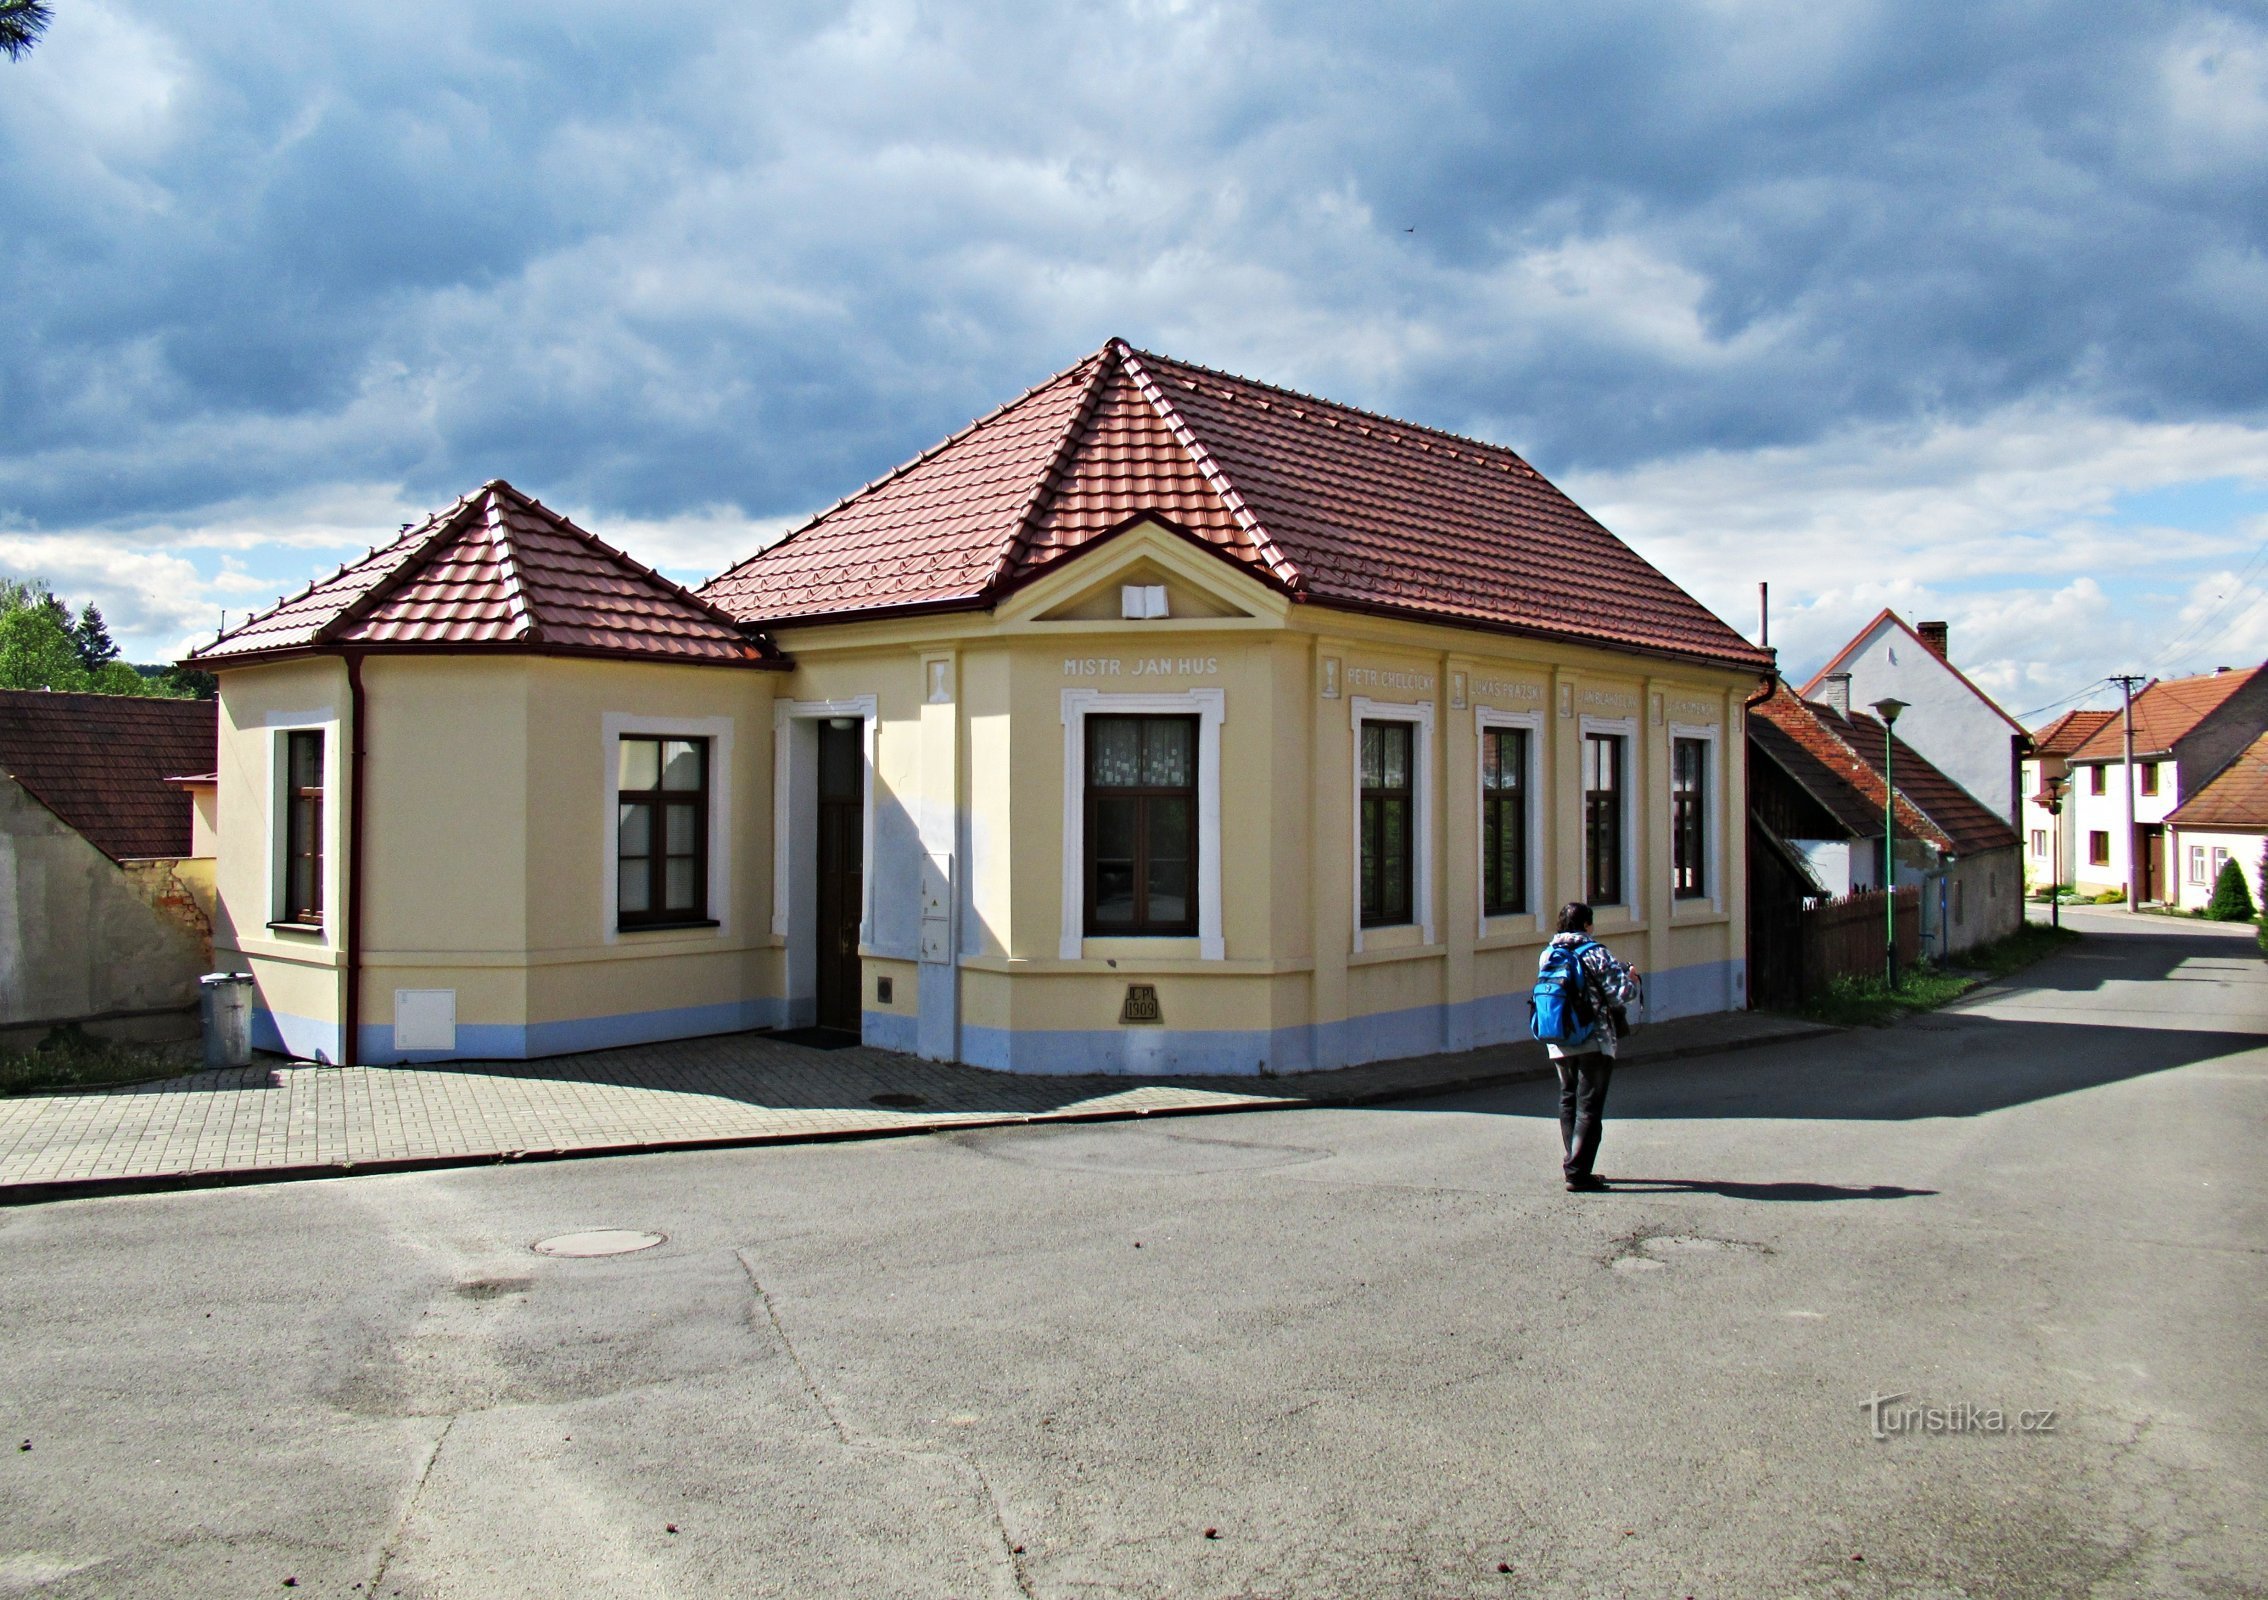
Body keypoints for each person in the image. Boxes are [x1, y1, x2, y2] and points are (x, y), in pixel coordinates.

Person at [1541, 902, 1641, 1192]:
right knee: (1590, 1106)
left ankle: (1574, 1161)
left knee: (1568, 1099)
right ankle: (1578, 1172)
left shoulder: (1548, 953)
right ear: (1586, 925)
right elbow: (1622, 993)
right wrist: (1631, 978)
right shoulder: (1596, 952)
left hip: (1559, 1039)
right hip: (1593, 1038)